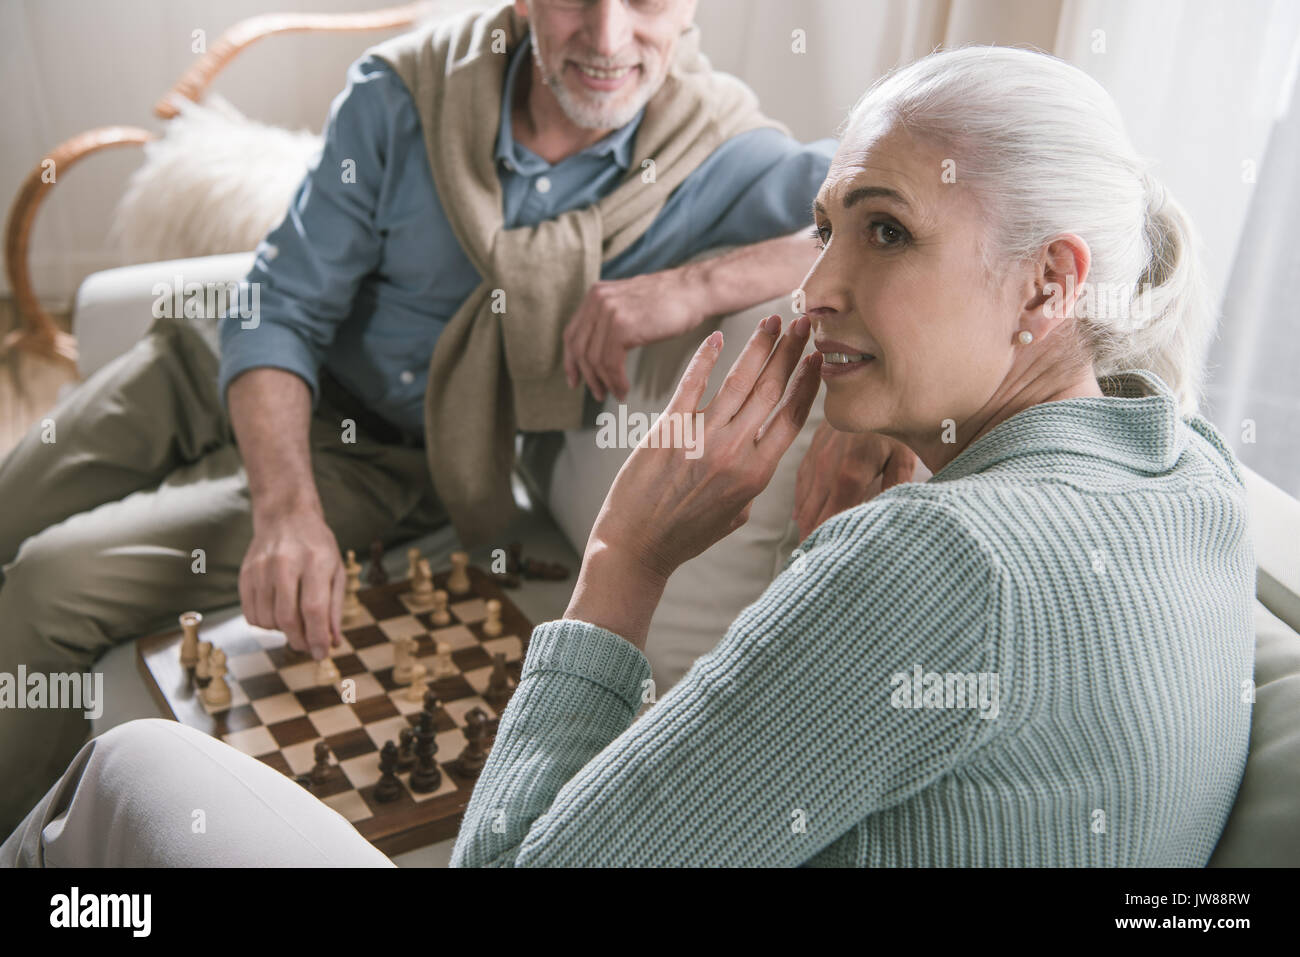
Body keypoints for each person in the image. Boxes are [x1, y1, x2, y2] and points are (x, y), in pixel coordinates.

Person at [3, 43, 1253, 868]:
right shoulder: (1190, 473)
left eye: (883, 232)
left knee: (126, 769)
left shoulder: (933, 561)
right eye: (827, 228)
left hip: (397, 488)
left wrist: (623, 557)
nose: (816, 286)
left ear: (1050, 283)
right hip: (289, 397)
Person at [0, 0, 884, 834]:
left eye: (647, 1)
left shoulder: (717, 152)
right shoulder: (403, 92)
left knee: (44, 587)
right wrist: (282, 510)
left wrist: (710, 293)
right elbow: (279, 306)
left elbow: (878, 213)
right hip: (210, 363)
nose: (609, 38)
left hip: (384, 459)